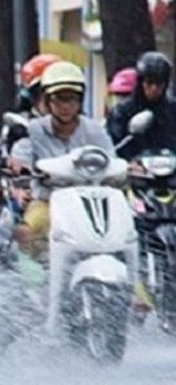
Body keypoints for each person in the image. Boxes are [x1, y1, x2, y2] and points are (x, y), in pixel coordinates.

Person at [7, 61, 116, 255]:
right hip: (48, 204)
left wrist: (123, 170)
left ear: (80, 101)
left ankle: (135, 282)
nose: (66, 106)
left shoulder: (95, 131)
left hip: (92, 205)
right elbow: (20, 158)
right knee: (30, 228)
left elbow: (111, 160)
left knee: (125, 230)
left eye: (72, 99)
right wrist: (19, 167)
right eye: (59, 99)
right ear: (48, 100)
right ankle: (36, 282)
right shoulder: (33, 130)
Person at [106, 51, 176, 161]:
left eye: (159, 83)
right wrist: (129, 163)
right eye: (149, 82)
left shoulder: (172, 110)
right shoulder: (122, 111)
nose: (154, 88)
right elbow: (114, 144)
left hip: (169, 169)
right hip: (134, 173)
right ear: (141, 82)